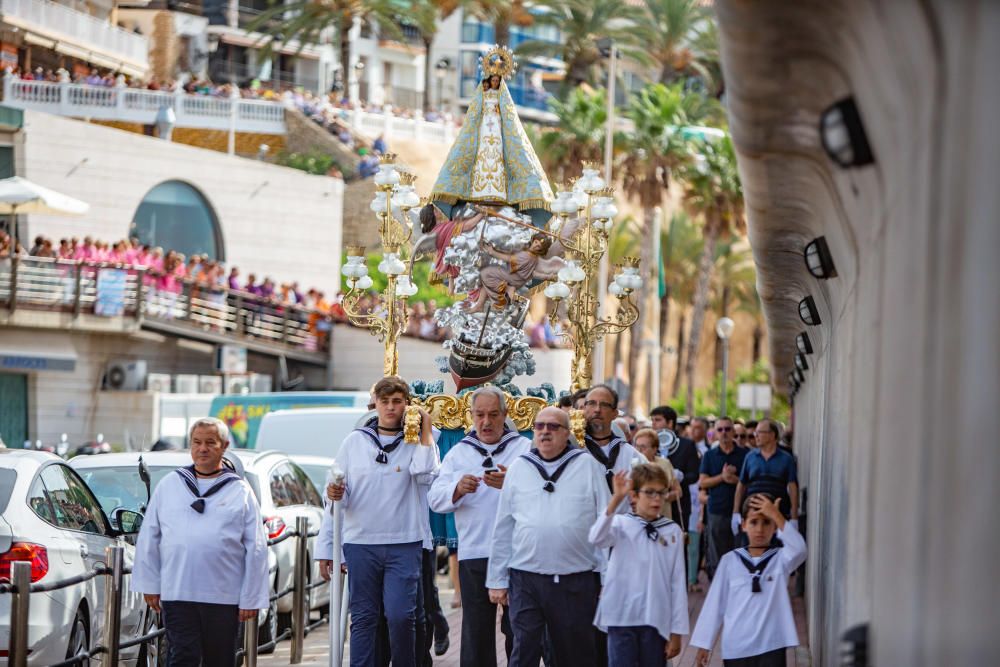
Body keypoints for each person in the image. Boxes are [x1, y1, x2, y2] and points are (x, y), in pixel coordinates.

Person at [317, 376, 438, 667]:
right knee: (363, 618)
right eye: (385, 401)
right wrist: (327, 545)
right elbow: (336, 497)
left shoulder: (415, 442)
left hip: (403, 542)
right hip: (361, 543)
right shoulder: (354, 442)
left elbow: (426, 474)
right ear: (376, 405)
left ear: (407, 405)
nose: (391, 408)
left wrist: (425, 428)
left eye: (397, 402)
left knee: (400, 616)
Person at [132, 418, 268, 666]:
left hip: (223, 595)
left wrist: (251, 597)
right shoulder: (171, 485)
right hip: (178, 591)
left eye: (210, 442)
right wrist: (150, 583)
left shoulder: (239, 490)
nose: (202, 448)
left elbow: (256, 547)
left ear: (224, 446)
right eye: (196, 442)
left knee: (220, 658)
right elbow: (150, 535)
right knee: (182, 656)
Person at [487, 406, 610, 667]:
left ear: (567, 433)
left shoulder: (587, 465)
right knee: (524, 648)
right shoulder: (520, 467)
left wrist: (607, 577)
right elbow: (504, 525)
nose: (545, 432)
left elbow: (605, 522)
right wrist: (497, 579)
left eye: (553, 427)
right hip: (525, 576)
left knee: (574, 652)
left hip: (575, 578)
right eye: (539, 426)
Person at [428, 386, 532, 666]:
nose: (486, 422)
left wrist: (513, 483)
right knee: (476, 633)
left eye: (493, 415)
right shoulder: (460, 453)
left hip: (517, 553)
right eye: (480, 415)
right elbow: (435, 498)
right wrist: (457, 489)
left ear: (505, 415)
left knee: (519, 630)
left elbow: (545, 494)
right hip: (475, 552)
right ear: (471, 416)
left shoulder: (523, 449)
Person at [690, 494, 806, 667]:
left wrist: (776, 514)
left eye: (766, 522)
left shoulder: (781, 560)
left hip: (772, 645)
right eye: (753, 522)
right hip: (737, 647)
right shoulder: (729, 561)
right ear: (743, 525)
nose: (760, 529)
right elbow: (715, 603)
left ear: (775, 527)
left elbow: (800, 549)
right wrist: (704, 645)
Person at [590, 466, 688, 667]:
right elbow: (596, 538)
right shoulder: (620, 524)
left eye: (661, 492)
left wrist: (677, 631)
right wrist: (616, 499)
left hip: (655, 617)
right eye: (650, 492)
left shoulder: (672, 531)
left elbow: (677, 582)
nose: (657, 499)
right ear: (633, 496)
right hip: (621, 616)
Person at [650, 405, 702, 591]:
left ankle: (681, 584)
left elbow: (694, 474)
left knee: (678, 542)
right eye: (653, 420)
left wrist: (680, 476)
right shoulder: (649, 444)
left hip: (680, 503)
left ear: (670, 423)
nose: (654, 424)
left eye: (658, 420)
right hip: (654, 505)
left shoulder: (686, 445)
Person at [698, 417, 748, 578]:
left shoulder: (745, 455)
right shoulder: (710, 455)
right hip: (716, 511)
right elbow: (703, 482)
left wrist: (735, 480)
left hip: (741, 512)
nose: (724, 433)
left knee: (740, 554)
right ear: (715, 433)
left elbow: (751, 482)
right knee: (716, 556)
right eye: (720, 430)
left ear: (733, 432)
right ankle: (718, 593)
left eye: (727, 429)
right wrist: (722, 476)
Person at [732, 419, 799, 535]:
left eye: (759, 433)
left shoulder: (786, 458)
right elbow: (741, 485)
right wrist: (736, 512)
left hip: (778, 513)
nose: (755, 436)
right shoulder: (750, 457)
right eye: (755, 433)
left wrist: (794, 518)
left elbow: (793, 487)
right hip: (754, 513)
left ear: (772, 435)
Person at [582, 385, 642, 504]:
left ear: (615, 413)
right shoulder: (575, 450)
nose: (597, 409)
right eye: (592, 403)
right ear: (584, 408)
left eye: (604, 405)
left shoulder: (631, 454)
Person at [632, 428, 682, 520]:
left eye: (643, 447)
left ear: (655, 449)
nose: (638, 450)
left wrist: (662, 496)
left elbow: (678, 491)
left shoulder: (665, 464)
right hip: (638, 519)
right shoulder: (632, 464)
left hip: (662, 518)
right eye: (636, 446)